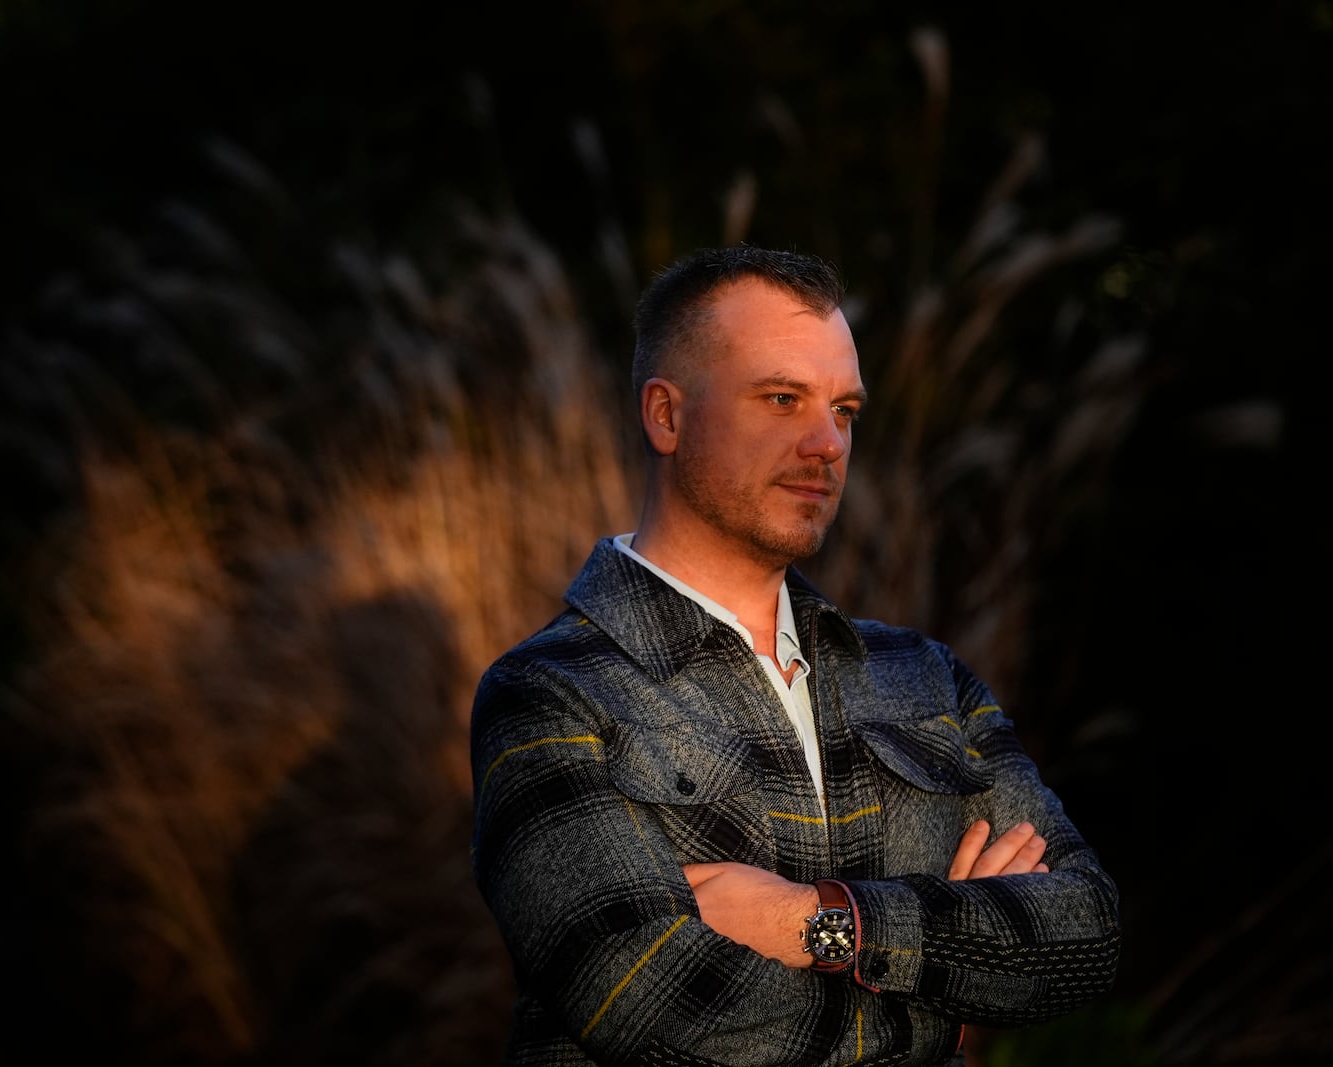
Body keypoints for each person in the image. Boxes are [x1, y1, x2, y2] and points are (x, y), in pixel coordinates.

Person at [468, 245, 1121, 1065]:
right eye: (782, 399)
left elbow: (1085, 931)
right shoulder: (548, 693)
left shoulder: (924, 677)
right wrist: (945, 1011)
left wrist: (820, 920)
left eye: (844, 410)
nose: (827, 444)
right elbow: (648, 996)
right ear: (665, 415)